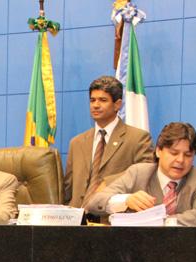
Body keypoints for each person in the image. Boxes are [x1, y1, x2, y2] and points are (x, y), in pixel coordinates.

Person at [86, 122, 196, 226]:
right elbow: (95, 202)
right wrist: (126, 200)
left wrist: (157, 221)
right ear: (158, 151)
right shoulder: (138, 173)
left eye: (188, 155)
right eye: (174, 153)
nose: (180, 160)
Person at [64, 76, 153, 212]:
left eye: (103, 100)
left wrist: (108, 182)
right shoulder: (76, 142)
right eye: (92, 100)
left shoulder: (138, 138)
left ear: (117, 104)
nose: (95, 105)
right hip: (76, 219)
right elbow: (68, 189)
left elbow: (145, 175)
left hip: (111, 219)